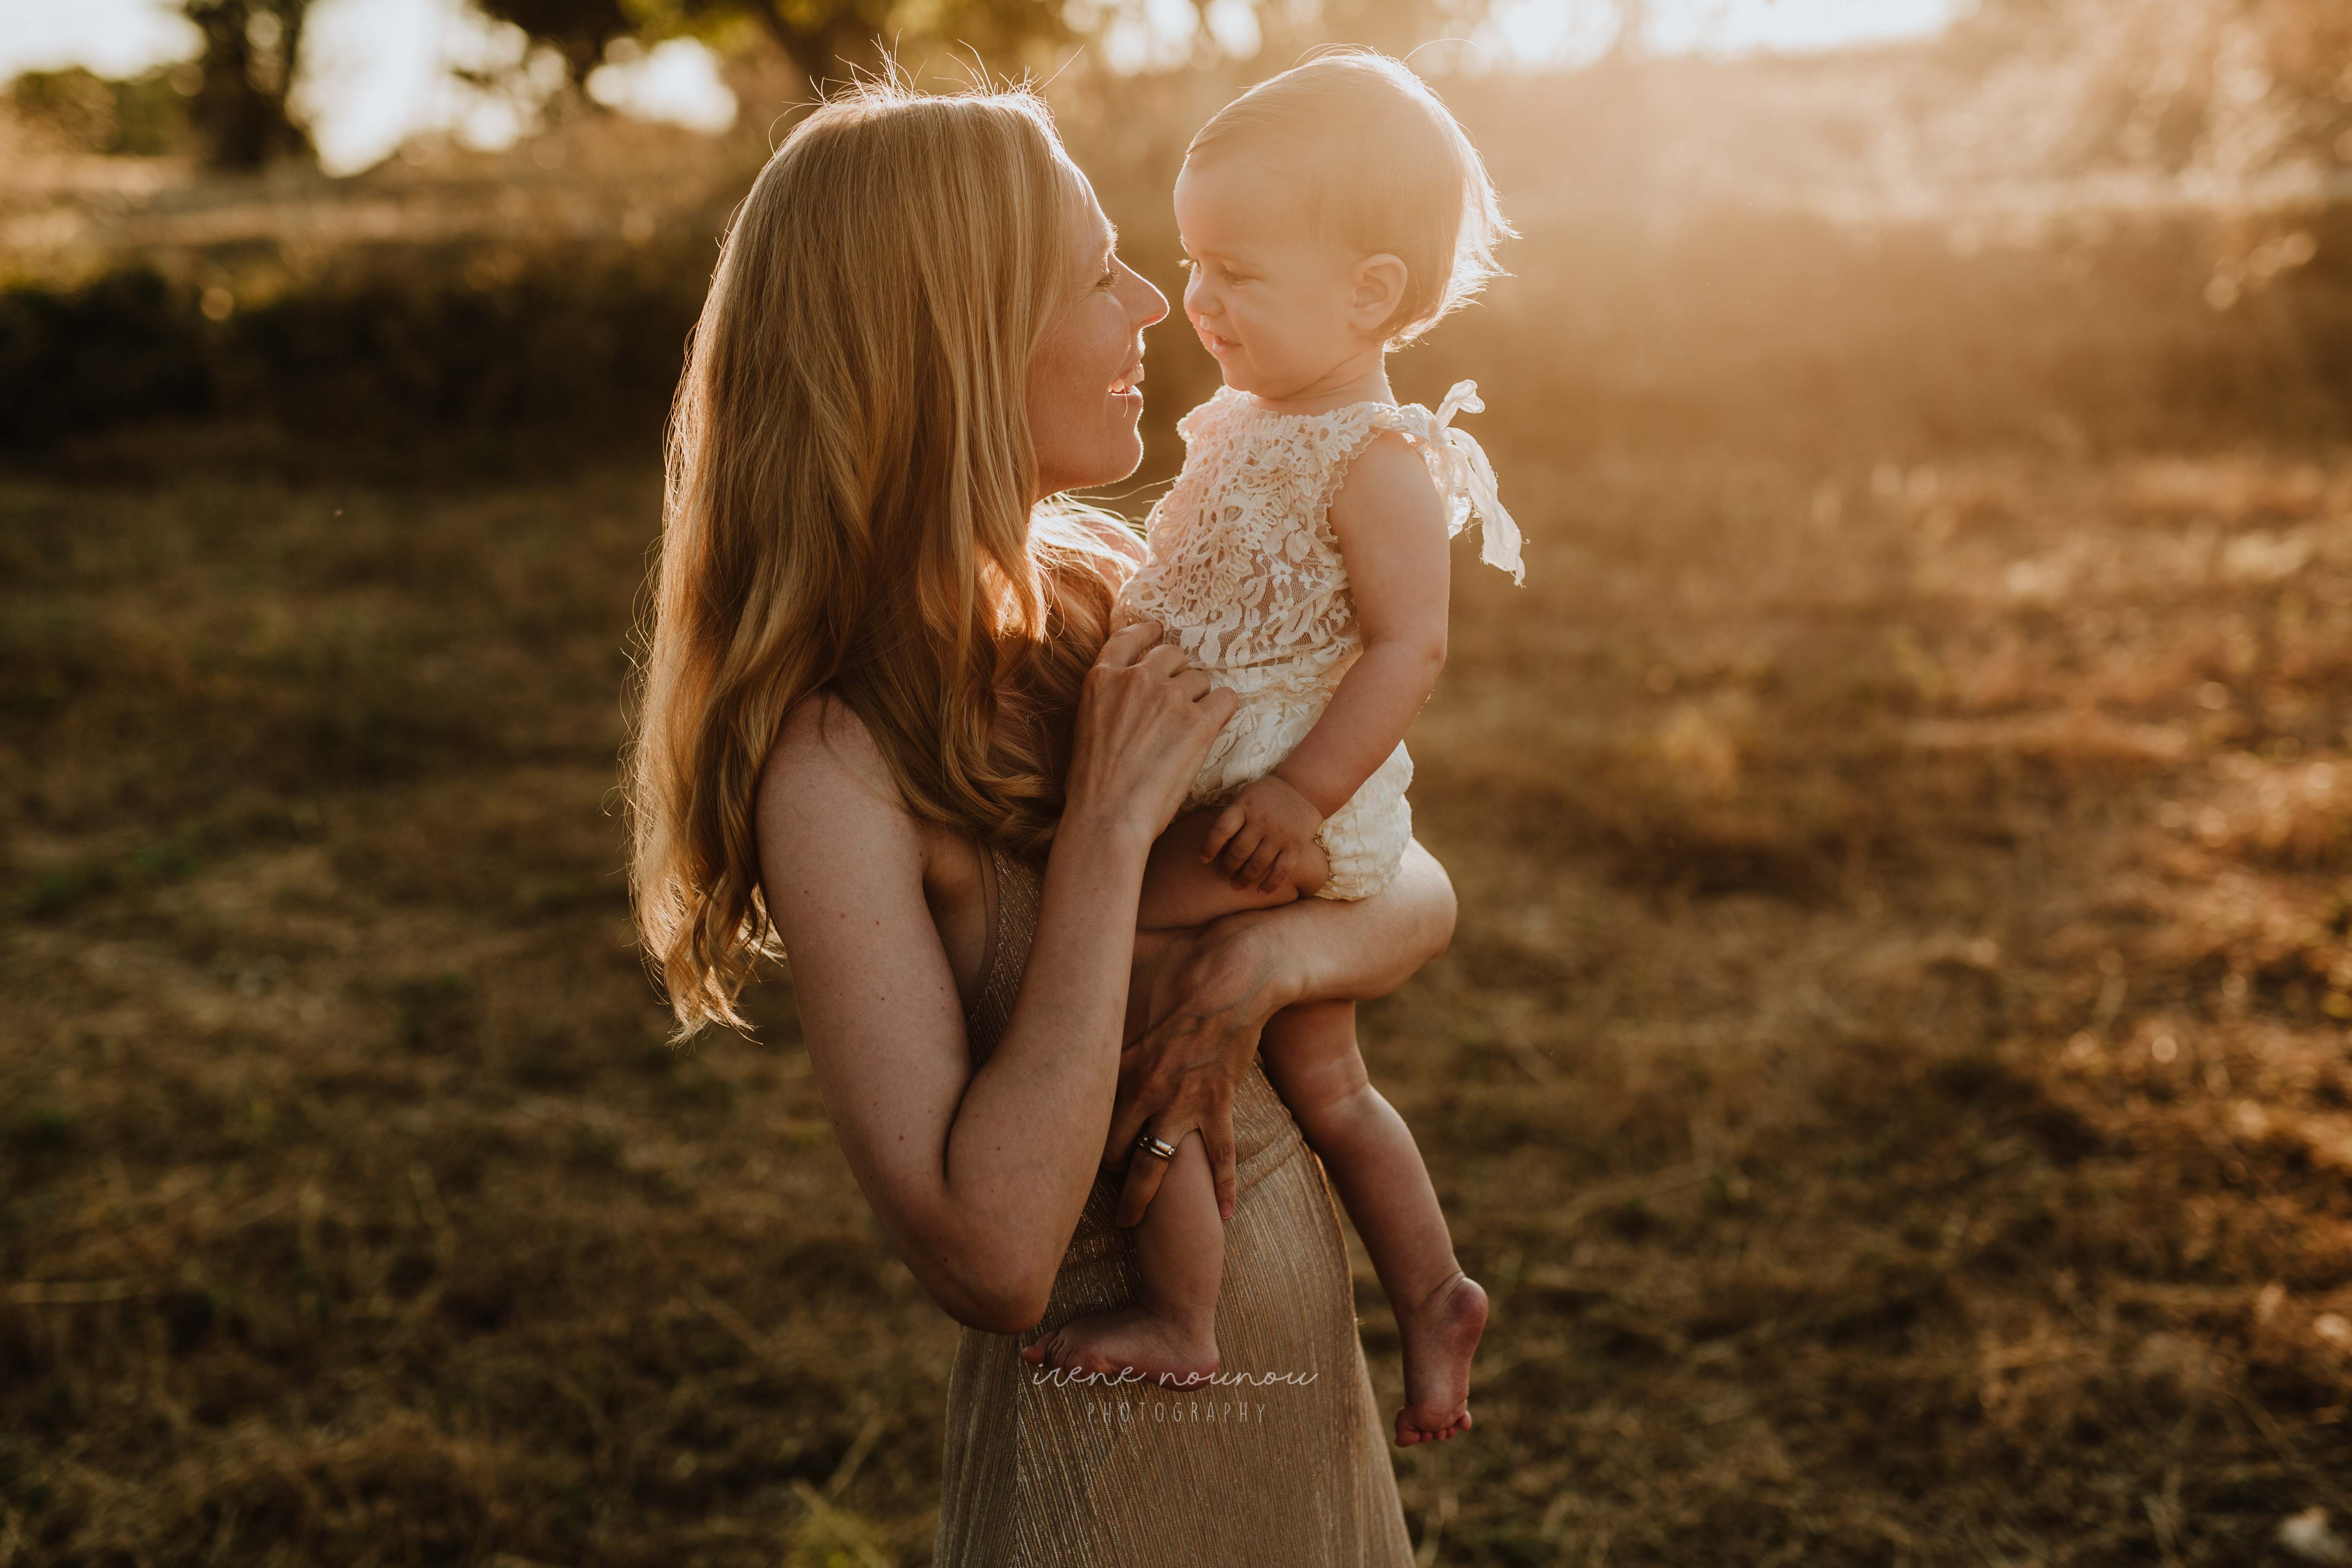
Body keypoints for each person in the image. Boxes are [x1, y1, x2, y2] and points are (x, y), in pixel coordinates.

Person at [626, 80, 1455, 1565]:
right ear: (954, 345)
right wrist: (1105, 836)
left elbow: (1410, 885)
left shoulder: (1108, 589)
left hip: (1298, 1386)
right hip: (1111, 1467)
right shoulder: (835, 760)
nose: (1153, 299)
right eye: (1096, 272)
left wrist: (1258, 971)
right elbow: (996, 1256)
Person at [1021, 51, 1516, 1449]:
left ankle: (1185, 1313)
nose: (1196, 300)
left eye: (1237, 271)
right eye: (1190, 262)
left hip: (1280, 810)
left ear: (1366, 293)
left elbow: (1407, 651)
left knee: (1114, 972)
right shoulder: (1244, 420)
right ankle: (1434, 1294)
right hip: (1236, 787)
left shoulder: (1375, 457)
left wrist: (1302, 796)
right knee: (1328, 1079)